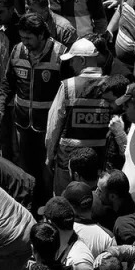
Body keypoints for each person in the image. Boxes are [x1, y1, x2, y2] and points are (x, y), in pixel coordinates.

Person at [0, 13, 65, 195]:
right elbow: (7, 83)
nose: (24, 42)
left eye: (29, 38)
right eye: (22, 37)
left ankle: (48, 204)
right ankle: (29, 203)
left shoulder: (61, 54)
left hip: (49, 127)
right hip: (23, 124)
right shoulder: (17, 50)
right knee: (26, 167)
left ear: (41, 35)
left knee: (48, 168)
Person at [45, 38, 112, 194]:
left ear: (81, 60)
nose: (70, 65)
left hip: (68, 160)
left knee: (65, 199)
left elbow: (54, 124)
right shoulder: (110, 85)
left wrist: (49, 155)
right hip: (99, 159)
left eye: (72, 60)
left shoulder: (69, 86)